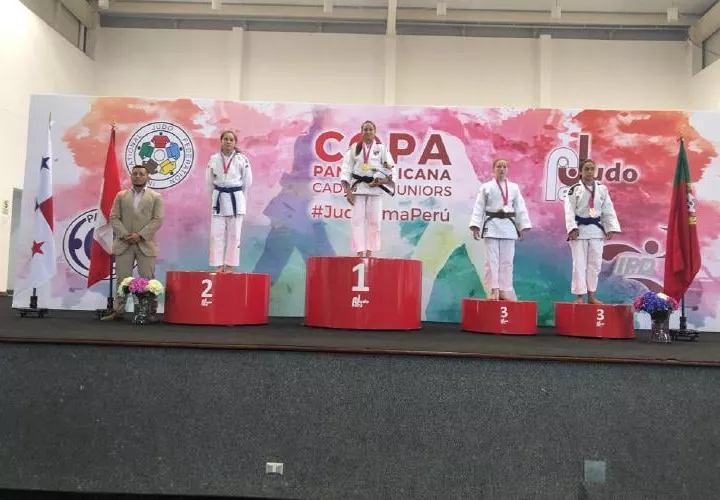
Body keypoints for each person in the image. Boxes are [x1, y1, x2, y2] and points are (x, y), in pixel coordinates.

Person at [101, 164, 164, 321]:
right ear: (131, 177)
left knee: (149, 280)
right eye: (135, 174)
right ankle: (118, 311)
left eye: (141, 174)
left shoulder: (156, 197)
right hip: (124, 244)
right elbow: (114, 217)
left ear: (148, 177)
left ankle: (150, 312)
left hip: (146, 244)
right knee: (122, 280)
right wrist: (125, 235)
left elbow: (158, 220)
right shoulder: (121, 196)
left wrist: (140, 235)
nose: (138, 176)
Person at [469, 159, 531, 301]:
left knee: (507, 261)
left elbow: (520, 208)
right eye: (499, 166)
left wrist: (522, 226)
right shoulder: (486, 187)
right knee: (492, 260)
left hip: (509, 227)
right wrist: (475, 225)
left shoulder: (514, 188)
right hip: (492, 226)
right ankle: (493, 290)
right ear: (494, 169)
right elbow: (479, 207)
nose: (502, 169)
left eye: (504, 166)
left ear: (507, 169)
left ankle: (504, 290)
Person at [564, 158, 621, 304]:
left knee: (594, 265)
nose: (589, 172)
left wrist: (610, 228)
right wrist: (572, 228)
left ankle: (591, 296)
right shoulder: (574, 190)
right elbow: (569, 211)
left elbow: (608, 210)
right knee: (579, 264)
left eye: (592, 169)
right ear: (580, 172)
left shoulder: (602, 189)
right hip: (579, 231)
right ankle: (579, 296)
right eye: (586, 169)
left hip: (596, 230)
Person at [340, 120, 396, 257]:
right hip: (358, 188)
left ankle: (370, 250)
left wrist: (382, 181)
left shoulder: (381, 149)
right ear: (361, 132)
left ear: (375, 132)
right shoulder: (354, 149)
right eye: (365, 129)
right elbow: (346, 169)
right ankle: (360, 251)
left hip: (375, 189)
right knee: (357, 220)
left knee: (375, 221)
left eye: (370, 129)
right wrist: (348, 191)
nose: (368, 131)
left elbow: (392, 169)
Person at [207, 130, 253, 273]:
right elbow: (209, 182)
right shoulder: (213, 159)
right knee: (216, 234)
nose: (228, 141)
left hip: (236, 198)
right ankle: (218, 264)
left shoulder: (242, 159)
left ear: (235, 143)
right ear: (221, 141)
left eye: (231, 139)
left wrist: (242, 199)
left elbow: (247, 182)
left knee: (235, 234)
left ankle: (230, 265)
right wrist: (214, 199)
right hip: (219, 198)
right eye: (225, 139)